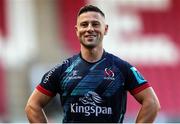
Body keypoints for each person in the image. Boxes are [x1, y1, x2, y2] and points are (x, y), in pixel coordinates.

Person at [25, 5, 160, 123]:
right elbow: (32, 106)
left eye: (95, 24)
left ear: (105, 29)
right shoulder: (63, 70)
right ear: (77, 30)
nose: (89, 29)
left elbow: (152, 103)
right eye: (84, 24)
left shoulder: (122, 68)